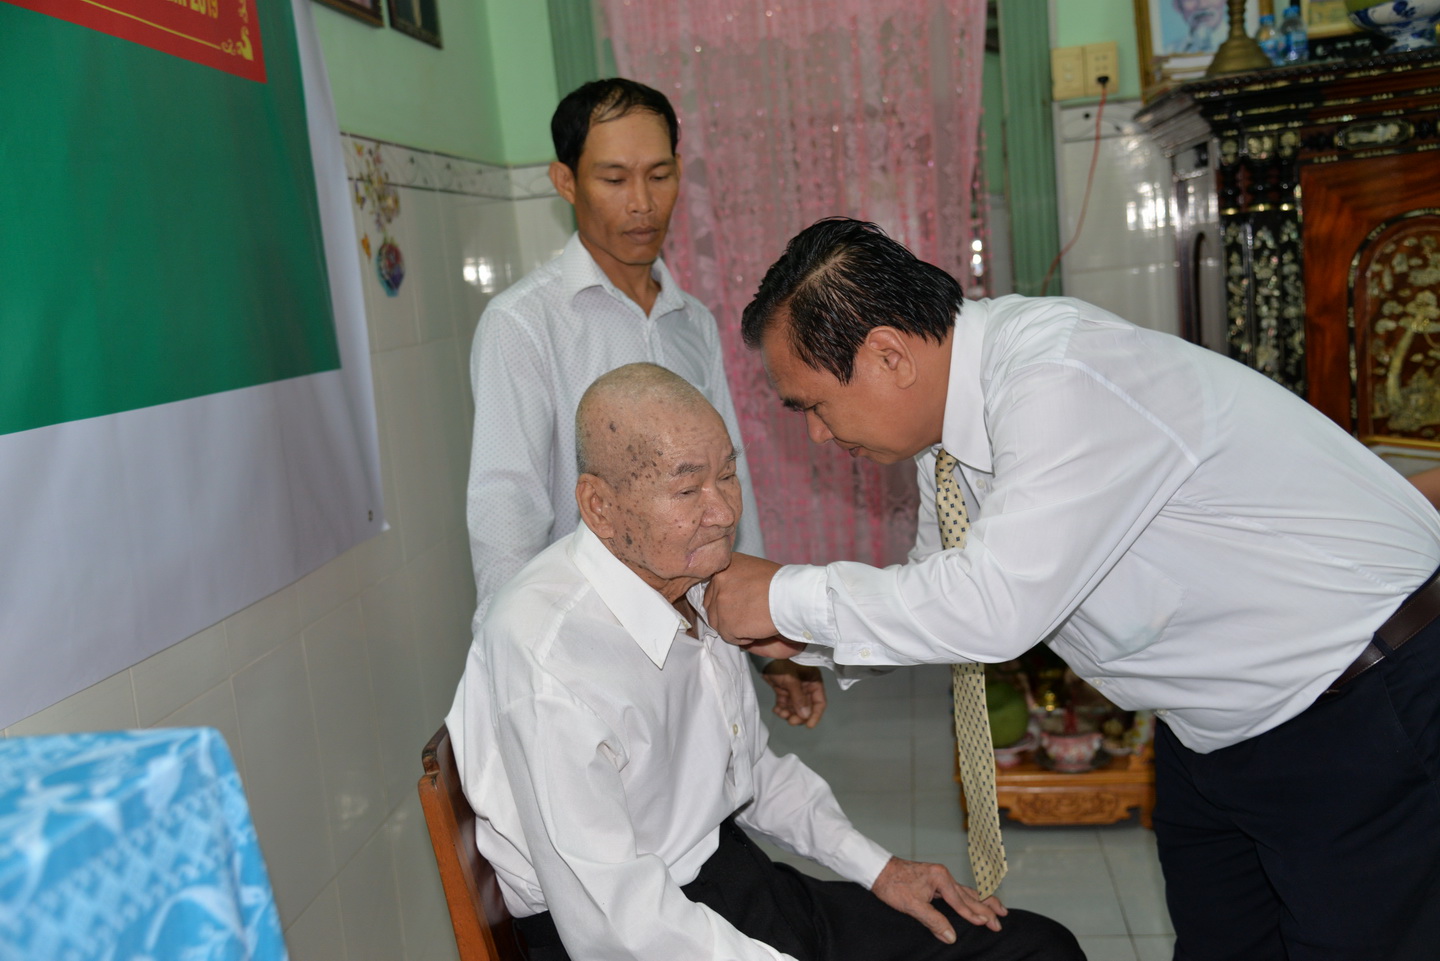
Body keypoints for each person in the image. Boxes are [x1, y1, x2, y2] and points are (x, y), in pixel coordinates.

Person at [704, 218, 1440, 961]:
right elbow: (935, 593)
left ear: (888, 353)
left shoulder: (1060, 376)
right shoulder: (948, 442)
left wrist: (783, 594)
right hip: (1220, 725)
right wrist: (805, 640)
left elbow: (995, 608)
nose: (820, 438)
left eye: (814, 407)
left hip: (1362, 701)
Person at [445, 363, 1084, 961]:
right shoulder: (547, 657)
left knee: (1035, 948)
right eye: (687, 487)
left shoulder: (692, 578)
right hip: (640, 935)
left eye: (728, 474)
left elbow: (747, 771)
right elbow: (616, 926)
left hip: (732, 882)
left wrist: (881, 869)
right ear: (600, 507)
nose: (723, 512)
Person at [464, 77, 824, 726]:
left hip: (696, 637)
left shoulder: (694, 322)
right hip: (585, 642)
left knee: (717, 803)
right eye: (614, 179)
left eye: (659, 175)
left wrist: (768, 639)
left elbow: (727, 478)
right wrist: (510, 654)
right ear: (565, 182)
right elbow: (505, 498)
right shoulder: (524, 324)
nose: (642, 203)